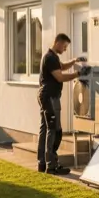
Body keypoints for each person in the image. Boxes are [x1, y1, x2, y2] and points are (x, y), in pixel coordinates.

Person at [37, 33, 84, 174]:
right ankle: (52, 166)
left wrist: (74, 60)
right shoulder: (50, 58)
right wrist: (78, 74)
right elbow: (59, 77)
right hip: (50, 97)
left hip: (45, 96)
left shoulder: (51, 57)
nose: (65, 49)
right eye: (64, 46)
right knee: (54, 130)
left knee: (45, 129)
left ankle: (42, 163)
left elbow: (61, 67)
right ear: (57, 42)